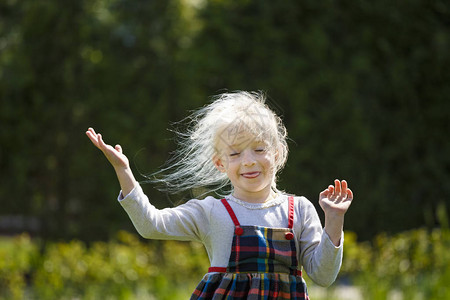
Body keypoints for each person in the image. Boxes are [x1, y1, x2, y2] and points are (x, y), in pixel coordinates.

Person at [86, 91, 354, 299]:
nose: (248, 161)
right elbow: (150, 224)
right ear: (220, 163)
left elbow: (323, 275)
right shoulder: (212, 211)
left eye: (259, 149)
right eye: (235, 154)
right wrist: (124, 171)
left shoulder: (301, 209)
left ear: (278, 153)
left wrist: (333, 219)